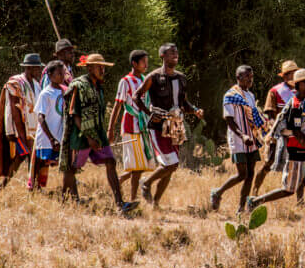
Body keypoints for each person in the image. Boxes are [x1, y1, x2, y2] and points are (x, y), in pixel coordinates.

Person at [60, 53, 137, 212]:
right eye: (99, 67)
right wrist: (88, 137)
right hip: (81, 135)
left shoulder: (98, 87)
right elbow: (74, 114)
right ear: (89, 68)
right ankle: (68, 201)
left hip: (98, 133)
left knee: (110, 161)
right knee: (71, 169)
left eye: (103, 67)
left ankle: (119, 203)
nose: (102, 70)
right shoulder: (78, 85)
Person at [134, 44, 205, 207]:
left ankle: (156, 203)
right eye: (171, 52)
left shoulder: (181, 78)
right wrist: (149, 113)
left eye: (177, 52)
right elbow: (136, 97)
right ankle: (146, 183)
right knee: (170, 164)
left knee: (171, 169)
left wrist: (194, 111)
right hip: (159, 125)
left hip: (176, 125)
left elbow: (183, 102)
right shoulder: (153, 77)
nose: (175, 54)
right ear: (162, 56)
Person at [247, 68, 305, 211]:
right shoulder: (297, 105)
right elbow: (297, 133)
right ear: (301, 85)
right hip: (298, 151)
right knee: (288, 190)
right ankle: (256, 201)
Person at [211, 66, 262, 214]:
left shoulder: (250, 96)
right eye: (247, 76)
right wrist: (242, 135)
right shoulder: (230, 95)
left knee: (251, 174)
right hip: (239, 139)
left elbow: (253, 117)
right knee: (242, 174)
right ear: (238, 78)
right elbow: (229, 120)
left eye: (251, 76)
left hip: (251, 139)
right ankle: (218, 192)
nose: (250, 79)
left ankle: (241, 208)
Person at [109, 49, 154, 202]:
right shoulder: (125, 81)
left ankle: (119, 182)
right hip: (131, 126)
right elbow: (117, 105)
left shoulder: (144, 79)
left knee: (141, 165)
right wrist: (110, 129)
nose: (146, 64)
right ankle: (134, 199)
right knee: (137, 167)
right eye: (143, 62)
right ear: (134, 63)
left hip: (143, 127)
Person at [0, 53, 43, 188]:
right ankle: (33, 186)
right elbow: (15, 110)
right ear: (29, 68)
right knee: (29, 156)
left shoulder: (36, 84)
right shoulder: (15, 83)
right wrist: (21, 133)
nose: (39, 71)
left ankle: (5, 185)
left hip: (33, 128)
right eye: (37, 68)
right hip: (18, 128)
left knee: (22, 156)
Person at [252, 60, 299, 196]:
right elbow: (270, 115)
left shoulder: (300, 91)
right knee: (268, 163)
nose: (293, 76)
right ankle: (255, 191)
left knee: (299, 163)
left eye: (295, 73)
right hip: (279, 133)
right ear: (284, 76)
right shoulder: (275, 91)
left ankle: (300, 199)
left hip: (296, 134)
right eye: (290, 74)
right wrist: (276, 129)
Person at [32, 60, 66, 191]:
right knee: (41, 163)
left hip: (58, 135)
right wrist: (51, 139)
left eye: (63, 73)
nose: (62, 76)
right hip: (47, 137)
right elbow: (41, 117)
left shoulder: (64, 92)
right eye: (59, 74)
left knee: (55, 163)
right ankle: (35, 188)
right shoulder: (46, 93)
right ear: (50, 75)